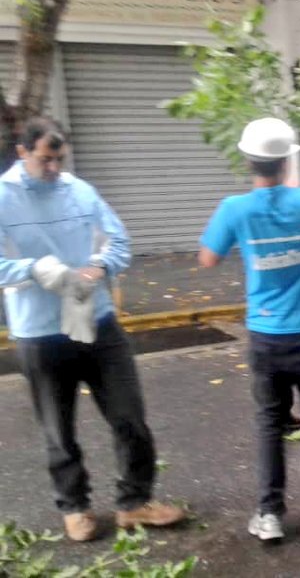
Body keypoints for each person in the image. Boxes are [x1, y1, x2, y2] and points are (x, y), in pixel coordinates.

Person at [0, 117, 186, 542]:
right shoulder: (3, 198)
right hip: (40, 332)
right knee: (58, 429)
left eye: (60, 159)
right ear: (23, 152)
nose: (54, 168)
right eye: (45, 160)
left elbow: (119, 241)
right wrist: (33, 269)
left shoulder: (79, 191)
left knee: (130, 418)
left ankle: (134, 503)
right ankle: (74, 507)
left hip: (98, 322)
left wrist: (100, 266)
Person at [198, 117, 300, 543]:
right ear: (286, 161)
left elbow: (208, 259)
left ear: (248, 160)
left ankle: (269, 515)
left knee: (269, 422)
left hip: (266, 334)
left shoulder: (235, 209)